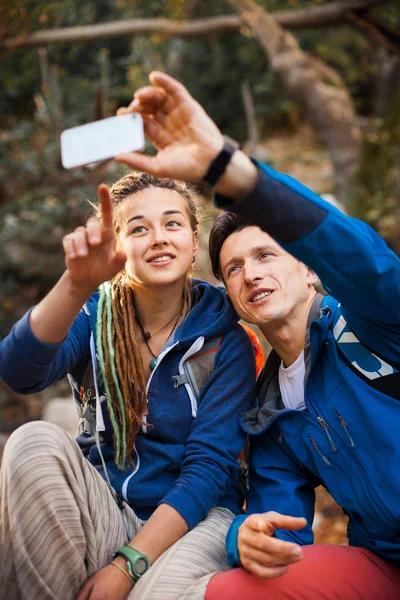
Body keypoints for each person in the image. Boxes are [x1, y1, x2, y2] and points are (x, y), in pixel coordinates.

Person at [114, 72, 400, 599]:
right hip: (384, 564)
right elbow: (277, 522)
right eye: (234, 268)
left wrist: (230, 170)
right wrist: (243, 538)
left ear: (310, 269)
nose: (251, 274)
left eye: (266, 255)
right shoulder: (269, 414)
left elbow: (362, 259)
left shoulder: (375, 323)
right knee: (233, 590)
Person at [0, 172, 256, 600]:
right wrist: (77, 283)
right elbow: (19, 372)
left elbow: (207, 472)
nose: (158, 237)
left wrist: (127, 566)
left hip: (196, 517)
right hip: (107, 506)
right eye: (138, 228)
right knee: (32, 440)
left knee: (146, 595)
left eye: (172, 224)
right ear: (118, 246)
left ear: (193, 241)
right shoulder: (95, 315)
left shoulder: (225, 341)